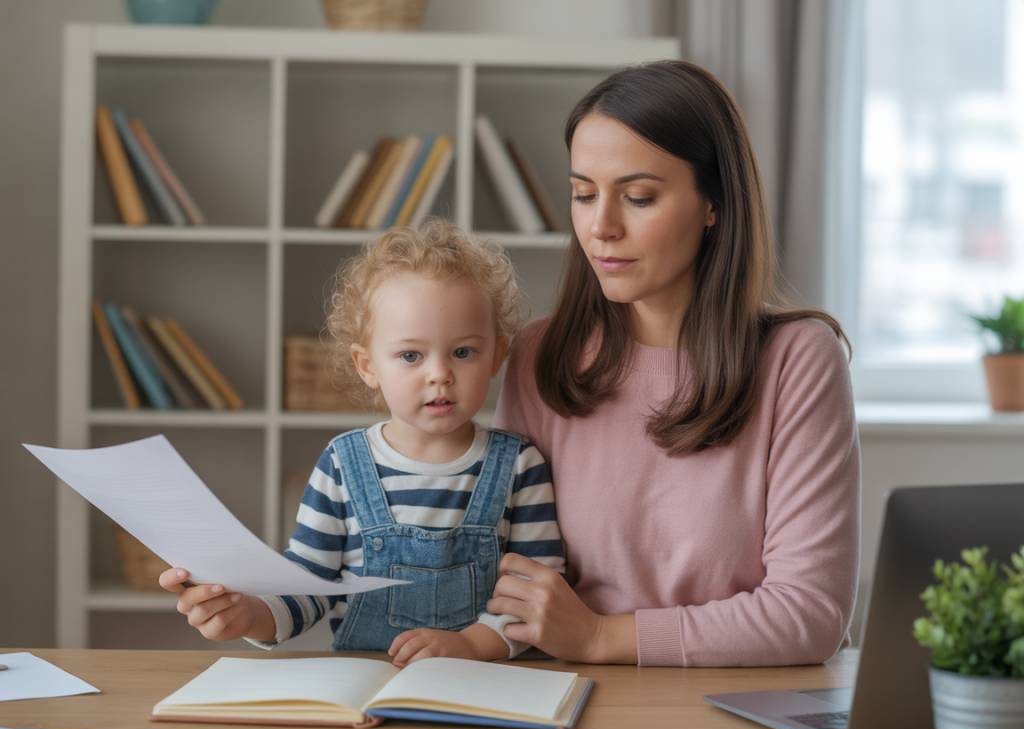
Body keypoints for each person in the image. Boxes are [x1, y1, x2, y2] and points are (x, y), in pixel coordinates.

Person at [487, 60, 860, 667]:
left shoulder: (798, 361)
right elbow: (506, 577)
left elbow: (808, 614)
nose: (601, 226)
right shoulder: (540, 356)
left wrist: (601, 636)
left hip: (741, 712)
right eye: (583, 194)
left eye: (638, 197)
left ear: (713, 203)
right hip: (570, 700)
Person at [159, 220, 565, 666]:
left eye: (463, 352)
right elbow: (309, 584)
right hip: (366, 691)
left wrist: (470, 645)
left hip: (482, 682)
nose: (439, 374)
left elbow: (535, 598)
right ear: (367, 365)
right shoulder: (342, 463)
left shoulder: (520, 466)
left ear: (496, 356)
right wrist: (248, 616)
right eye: (411, 355)